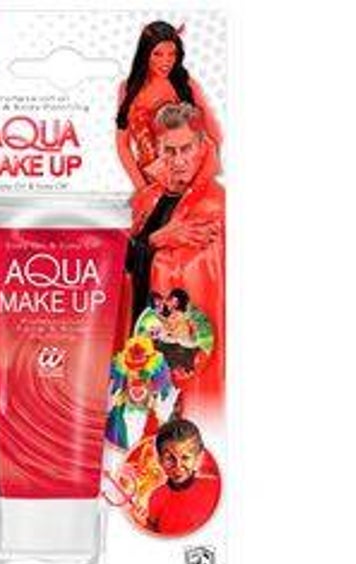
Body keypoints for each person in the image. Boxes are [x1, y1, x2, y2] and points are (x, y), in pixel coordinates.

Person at [125, 101, 225, 417]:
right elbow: (119, 264)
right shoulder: (147, 199)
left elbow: (199, 284)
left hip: (185, 349)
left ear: (202, 146)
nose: (178, 160)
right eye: (170, 151)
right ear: (158, 149)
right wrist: (157, 239)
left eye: (186, 149)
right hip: (139, 340)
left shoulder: (214, 204)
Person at [116, 21, 221, 190]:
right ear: (145, 54)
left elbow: (212, 132)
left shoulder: (185, 84)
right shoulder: (128, 89)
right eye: (157, 54)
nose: (166, 61)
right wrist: (142, 188)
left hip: (189, 174)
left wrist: (204, 176)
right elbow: (123, 145)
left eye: (172, 54)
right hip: (150, 178)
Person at [145, 418, 220, 536]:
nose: (178, 466)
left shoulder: (215, 488)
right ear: (160, 460)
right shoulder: (156, 497)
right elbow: (152, 536)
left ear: (198, 458)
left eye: (185, 457)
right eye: (170, 458)